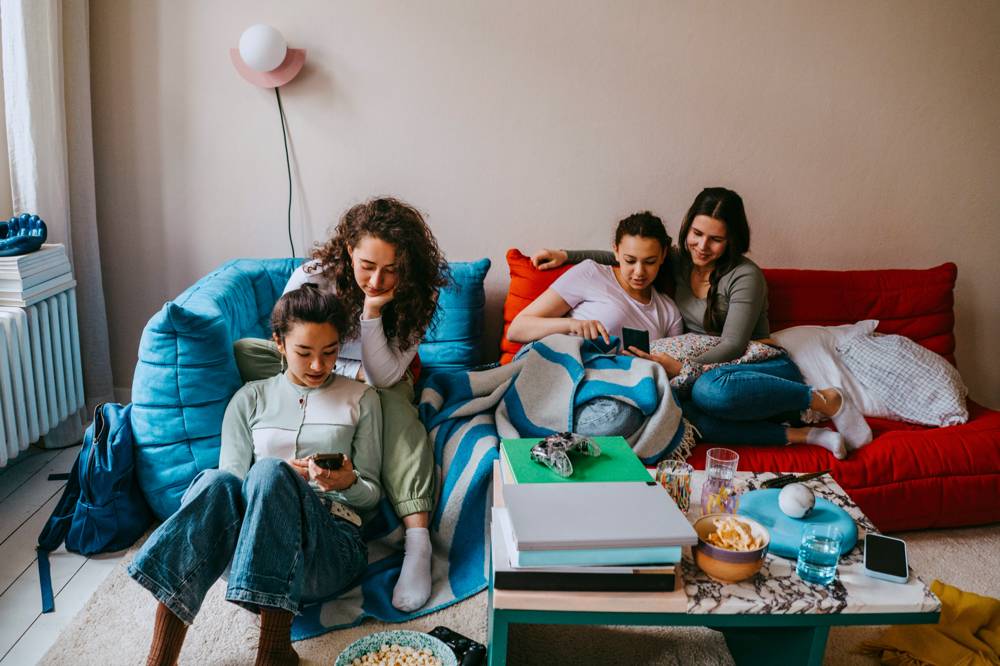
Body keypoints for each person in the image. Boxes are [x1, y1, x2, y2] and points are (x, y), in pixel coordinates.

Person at [129, 284, 381, 666]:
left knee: (269, 472)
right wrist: (278, 478)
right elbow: (228, 490)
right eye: (304, 352)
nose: (318, 366)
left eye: (329, 352)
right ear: (279, 343)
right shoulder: (249, 399)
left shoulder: (362, 399)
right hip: (250, 553)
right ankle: (160, 659)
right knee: (217, 481)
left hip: (330, 549)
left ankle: (272, 651)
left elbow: (373, 495)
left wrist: (346, 482)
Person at [531, 187, 871, 458]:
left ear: (732, 241)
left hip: (754, 365)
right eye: (696, 234)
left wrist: (681, 368)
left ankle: (825, 399)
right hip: (699, 368)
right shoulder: (678, 261)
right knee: (681, 415)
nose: (702, 247)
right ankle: (806, 435)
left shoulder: (745, 276)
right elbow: (629, 256)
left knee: (710, 390)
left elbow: (733, 345)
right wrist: (568, 255)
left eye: (716, 239)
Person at [234, 197, 448, 613]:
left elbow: (383, 376)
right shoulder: (312, 278)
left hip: (379, 377)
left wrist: (371, 313)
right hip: (327, 368)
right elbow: (287, 343)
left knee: (392, 405)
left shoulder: (419, 292)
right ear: (349, 248)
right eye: (367, 266)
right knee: (246, 350)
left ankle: (417, 542)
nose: (377, 279)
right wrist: (333, 373)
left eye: (391, 269)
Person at [507, 211, 684, 346]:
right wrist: (571, 325)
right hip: (575, 372)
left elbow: (672, 366)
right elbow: (517, 329)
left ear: (663, 255)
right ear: (616, 251)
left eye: (650, 262)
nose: (639, 272)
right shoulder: (591, 274)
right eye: (630, 260)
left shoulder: (669, 312)